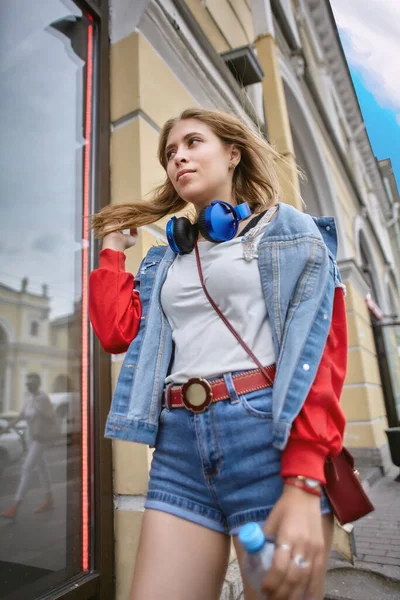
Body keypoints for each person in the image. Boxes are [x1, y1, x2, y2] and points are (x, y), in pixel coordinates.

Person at [89, 108, 347, 600]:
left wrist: (305, 478)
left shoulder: (288, 232)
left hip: (265, 438)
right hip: (178, 447)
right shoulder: (165, 259)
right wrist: (111, 251)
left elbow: (323, 353)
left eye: (192, 143)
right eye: (170, 153)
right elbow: (115, 332)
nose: (178, 157)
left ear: (232, 154)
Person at [1, 373, 57, 518]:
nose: (28, 386)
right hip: (31, 438)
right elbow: (21, 416)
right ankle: (49, 499)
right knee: (42, 468)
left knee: (26, 468)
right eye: (27, 384)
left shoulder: (43, 399)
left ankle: (16, 505)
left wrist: (41, 413)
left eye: (30, 384)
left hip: (40, 439)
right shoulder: (29, 399)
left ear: (37, 384)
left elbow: (52, 417)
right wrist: (6, 428)